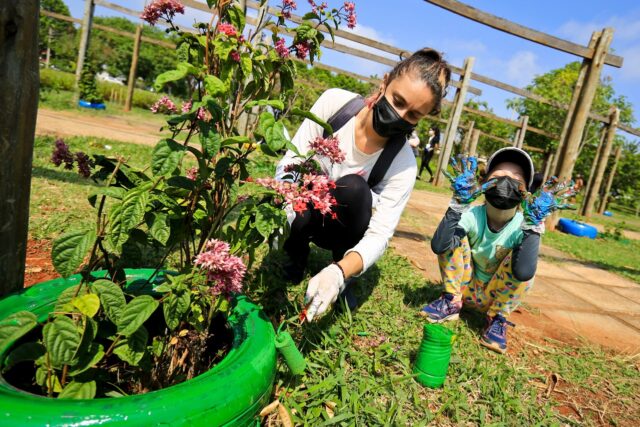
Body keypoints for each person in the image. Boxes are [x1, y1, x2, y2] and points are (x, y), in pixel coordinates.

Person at [275, 48, 452, 322]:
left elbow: (379, 234)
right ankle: (296, 251)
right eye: (397, 100)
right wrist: (283, 216)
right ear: (384, 83)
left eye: (414, 115)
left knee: (355, 189)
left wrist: (339, 273)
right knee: (308, 177)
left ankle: (340, 268)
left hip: (346, 229)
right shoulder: (335, 106)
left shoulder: (403, 164)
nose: (399, 115)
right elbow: (291, 160)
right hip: (305, 212)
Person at [419, 147, 575, 353]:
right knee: (453, 237)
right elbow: (439, 246)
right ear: (484, 182)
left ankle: (496, 319)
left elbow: (524, 272)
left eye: (516, 178)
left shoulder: (525, 225)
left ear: (527, 192)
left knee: (524, 256)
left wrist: (534, 227)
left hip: (496, 296)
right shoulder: (473, 215)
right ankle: (450, 302)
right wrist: (456, 205)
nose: (506, 182)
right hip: (465, 288)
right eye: (499, 175)